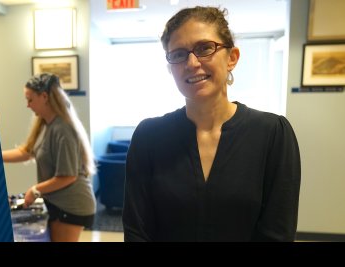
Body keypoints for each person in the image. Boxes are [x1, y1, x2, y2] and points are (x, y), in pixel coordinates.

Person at [122, 6, 301, 242]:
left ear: (232, 58)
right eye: (178, 54)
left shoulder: (272, 134)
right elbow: (137, 231)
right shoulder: (149, 136)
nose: (192, 62)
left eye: (205, 48)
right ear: (170, 68)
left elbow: (277, 233)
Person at [3, 73, 96, 242]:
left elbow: (68, 176)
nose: (27, 105)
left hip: (71, 204)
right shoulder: (46, 124)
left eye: (30, 99)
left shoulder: (63, 129)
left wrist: (35, 190)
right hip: (58, 202)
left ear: (44, 96)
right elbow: (26, 152)